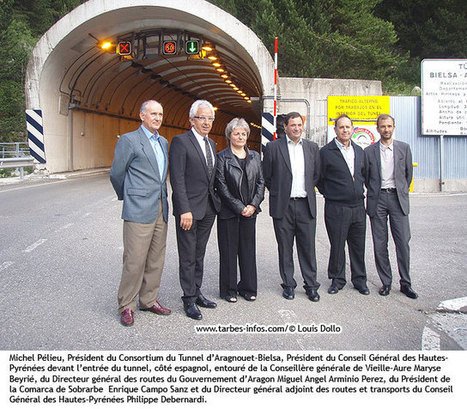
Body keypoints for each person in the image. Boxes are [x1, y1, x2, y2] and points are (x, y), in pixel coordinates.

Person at [110, 100, 171, 327]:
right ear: (142, 116)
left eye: (161, 114)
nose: (157, 118)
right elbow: (117, 173)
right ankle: (126, 305)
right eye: (153, 114)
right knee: (134, 260)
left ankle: (149, 299)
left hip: (160, 208)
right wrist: (129, 197)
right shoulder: (129, 140)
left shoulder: (163, 142)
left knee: (156, 258)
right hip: (138, 208)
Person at [169, 100, 221, 320]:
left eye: (210, 118)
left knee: (199, 254)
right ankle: (188, 299)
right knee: (188, 255)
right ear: (191, 120)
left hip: (208, 208)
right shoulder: (181, 142)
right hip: (189, 211)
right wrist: (184, 210)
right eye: (202, 118)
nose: (207, 122)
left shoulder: (212, 144)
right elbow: (177, 178)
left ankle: (197, 291)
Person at [262, 112, 321, 302]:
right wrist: (280, 193)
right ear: (285, 127)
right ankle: (288, 285)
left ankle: (311, 285)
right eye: (292, 125)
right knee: (285, 248)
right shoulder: (272, 147)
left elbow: (316, 174)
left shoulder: (312, 148)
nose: (296, 128)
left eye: (299, 125)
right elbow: (267, 176)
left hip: (305, 205)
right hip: (283, 206)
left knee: (308, 248)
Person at [364, 114, 418, 299]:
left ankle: (406, 283)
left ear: (394, 127)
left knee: (402, 242)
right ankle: (386, 282)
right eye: (382, 126)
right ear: (377, 128)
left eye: (389, 126)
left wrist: (400, 192)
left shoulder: (404, 148)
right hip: (377, 199)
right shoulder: (369, 151)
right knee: (380, 244)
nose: (386, 129)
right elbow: (366, 176)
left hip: (397, 199)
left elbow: (407, 175)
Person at [317, 114, 369, 296]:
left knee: (358, 245)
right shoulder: (325, 152)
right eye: (341, 127)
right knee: (337, 245)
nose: (345, 130)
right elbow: (319, 178)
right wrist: (332, 194)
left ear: (352, 129)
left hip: (358, 207)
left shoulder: (360, 151)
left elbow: (364, 175)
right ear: (335, 130)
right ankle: (337, 280)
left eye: (348, 127)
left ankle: (359, 280)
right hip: (336, 207)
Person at [215, 118, 265, 302]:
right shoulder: (222, 157)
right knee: (228, 251)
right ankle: (229, 290)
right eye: (236, 133)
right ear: (230, 135)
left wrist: (253, 205)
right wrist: (239, 207)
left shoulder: (254, 157)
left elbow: (261, 183)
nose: (240, 136)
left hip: (250, 212)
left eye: (243, 133)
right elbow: (220, 186)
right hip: (229, 212)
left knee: (247, 251)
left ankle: (248, 288)